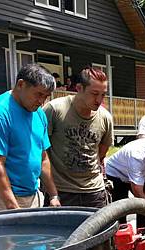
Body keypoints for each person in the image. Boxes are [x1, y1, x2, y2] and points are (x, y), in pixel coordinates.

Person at [0, 64, 61, 213]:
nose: (42, 101)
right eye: (38, 94)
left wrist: (53, 194)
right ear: (21, 84)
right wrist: (13, 208)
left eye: (46, 96)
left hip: (31, 195)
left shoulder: (38, 113)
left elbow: (43, 158)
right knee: (3, 237)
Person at [43, 67, 114, 208]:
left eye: (103, 95)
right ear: (79, 88)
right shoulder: (55, 110)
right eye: (94, 94)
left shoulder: (105, 117)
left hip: (94, 191)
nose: (99, 100)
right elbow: (42, 152)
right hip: (61, 190)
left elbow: (101, 153)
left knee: (99, 230)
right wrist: (52, 193)